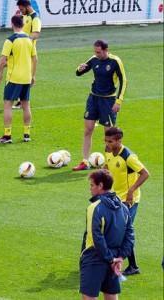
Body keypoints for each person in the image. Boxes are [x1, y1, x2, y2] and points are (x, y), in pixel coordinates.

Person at [72, 40, 127, 171]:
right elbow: (80, 72)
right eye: (94, 52)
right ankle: (85, 161)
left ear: (106, 50)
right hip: (93, 98)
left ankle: (110, 164)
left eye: (98, 52)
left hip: (108, 101)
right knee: (88, 129)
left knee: (109, 135)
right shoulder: (94, 59)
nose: (96, 54)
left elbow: (124, 81)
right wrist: (79, 69)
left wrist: (118, 101)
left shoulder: (115, 61)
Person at [80, 169, 134, 300]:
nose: (90, 189)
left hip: (94, 257)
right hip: (115, 257)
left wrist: (110, 259)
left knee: (89, 297)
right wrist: (120, 257)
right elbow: (130, 235)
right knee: (111, 296)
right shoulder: (124, 207)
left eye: (92, 185)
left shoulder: (95, 207)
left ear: (100, 186)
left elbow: (96, 237)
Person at [103, 127, 149, 276]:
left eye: (110, 141)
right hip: (115, 197)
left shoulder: (128, 156)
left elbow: (145, 174)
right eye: (106, 140)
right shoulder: (108, 151)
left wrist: (131, 190)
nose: (107, 144)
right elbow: (108, 166)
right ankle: (124, 264)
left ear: (119, 140)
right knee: (117, 230)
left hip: (130, 201)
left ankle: (132, 266)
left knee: (123, 231)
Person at [0, 15, 37, 144]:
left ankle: (7, 136)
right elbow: (35, 59)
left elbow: (2, 60)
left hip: (14, 78)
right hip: (27, 77)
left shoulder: (10, 40)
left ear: (12, 24)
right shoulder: (29, 39)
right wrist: (33, 75)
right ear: (22, 24)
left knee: (8, 106)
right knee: (26, 105)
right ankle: (26, 134)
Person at [12, 0, 42, 109]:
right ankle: (21, 100)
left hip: (29, 51)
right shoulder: (24, 16)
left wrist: (24, 40)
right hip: (22, 49)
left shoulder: (35, 18)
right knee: (20, 74)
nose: (20, 11)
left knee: (25, 76)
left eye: (21, 9)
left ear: (27, 6)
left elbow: (36, 34)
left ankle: (22, 101)